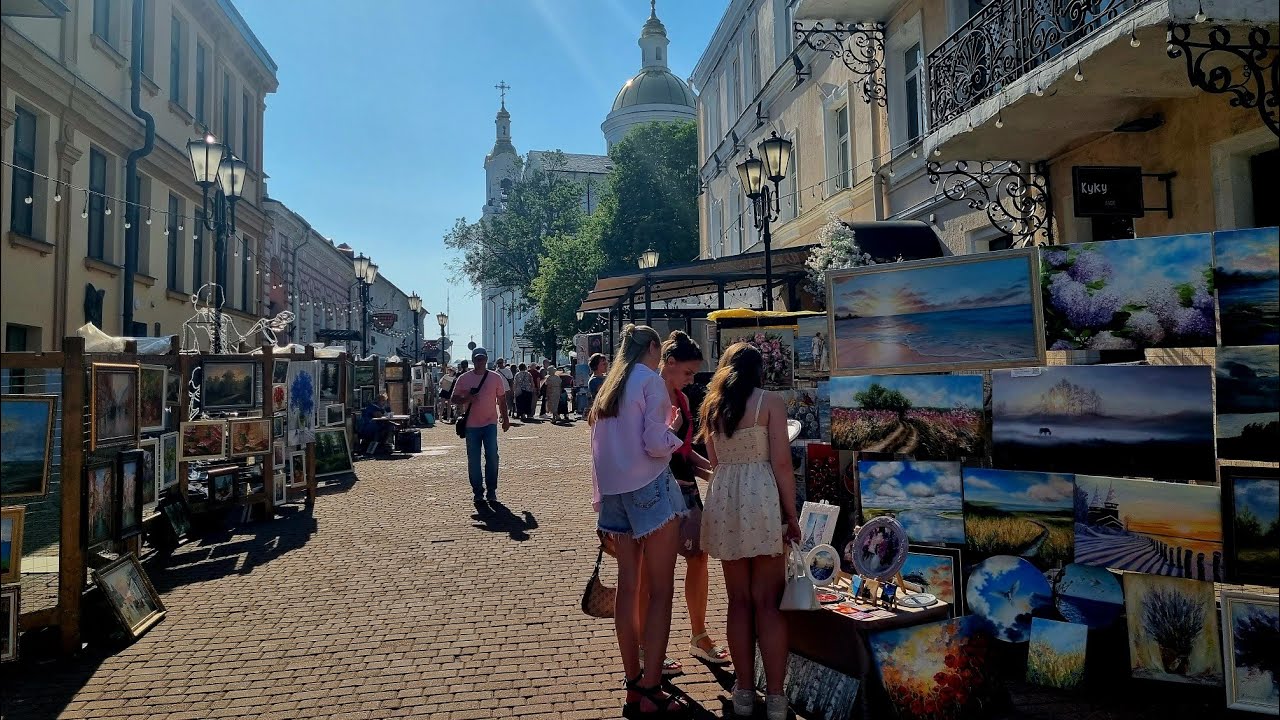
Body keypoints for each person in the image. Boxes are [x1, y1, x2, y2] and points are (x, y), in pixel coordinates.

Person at [589, 325, 689, 717]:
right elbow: (652, 442)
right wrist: (675, 432)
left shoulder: (609, 386)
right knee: (661, 590)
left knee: (628, 588)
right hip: (648, 484)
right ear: (652, 348)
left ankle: (633, 686)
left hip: (614, 492)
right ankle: (651, 689)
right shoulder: (649, 381)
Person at [699, 342, 801, 720]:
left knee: (738, 600)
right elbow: (782, 463)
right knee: (768, 603)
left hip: (725, 497)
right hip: (761, 497)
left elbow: (713, 461)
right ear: (759, 370)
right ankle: (776, 697)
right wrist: (791, 515)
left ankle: (743, 691)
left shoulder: (712, 405)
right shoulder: (769, 403)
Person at [637, 332, 729, 677]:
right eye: (689, 373)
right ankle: (648, 648)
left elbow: (683, 450)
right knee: (652, 573)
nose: (693, 381)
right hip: (657, 493)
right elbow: (647, 446)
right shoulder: (648, 394)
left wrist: (713, 472)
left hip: (686, 492)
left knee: (698, 558)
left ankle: (698, 635)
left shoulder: (682, 399)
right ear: (669, 364)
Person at [451, 347, 510, 506]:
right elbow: (453, 399)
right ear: (473, 360)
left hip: (490, 422)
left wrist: (506, 418)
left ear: (486, 360)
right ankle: (478, 491)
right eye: (477, 359)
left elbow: (502, 400)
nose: (480, 362)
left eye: (482, 359)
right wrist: (466, 399)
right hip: (471, 425)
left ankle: (491, 490)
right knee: (474, 460)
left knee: (492, 456)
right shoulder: (464, 378)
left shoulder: (495, 378)